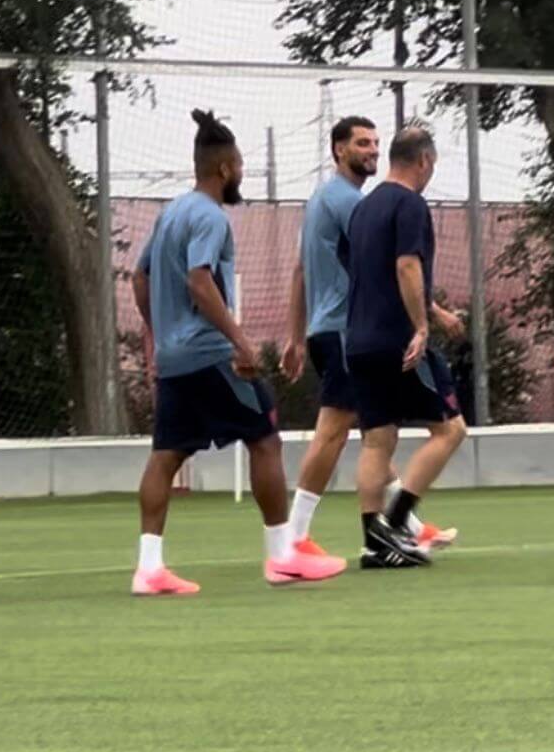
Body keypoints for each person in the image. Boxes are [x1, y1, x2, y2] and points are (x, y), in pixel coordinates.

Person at [129, 109, 347, 596]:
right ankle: (281, 556)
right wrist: (240, 341)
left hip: (174, 359)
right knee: (265, 437)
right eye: (241, 165)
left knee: (165, 456)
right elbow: (200, 280)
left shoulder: (171, 213)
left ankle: (148, 568)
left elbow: (139, 278)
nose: (242, 173)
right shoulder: (210, 218)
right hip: (210, 355)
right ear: (225, 169)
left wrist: (158, 336)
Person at [280, 117, 462, 557]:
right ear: (337, 149)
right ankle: (297, 536)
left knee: (378, 436)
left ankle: (390, 528)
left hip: (344, 333)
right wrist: (428, 318)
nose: (371, 150)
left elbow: (303, 268)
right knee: (340, 432)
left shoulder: (336, 201)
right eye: (362, 143)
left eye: (376, 143)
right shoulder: (353, 203)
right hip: (360, 331)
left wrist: (296, 334)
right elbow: (396, 267)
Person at [344, 126, 468, 569]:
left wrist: (433, 311)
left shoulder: (363, 210)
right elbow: (406, 266)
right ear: (424, 162)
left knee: (377, 441)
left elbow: (372, 273)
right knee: (450, 430)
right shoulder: (410, 204)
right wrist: (420, 326)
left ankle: (372, 545)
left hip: (357, 340)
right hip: (398, 342)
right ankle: (395, 525)